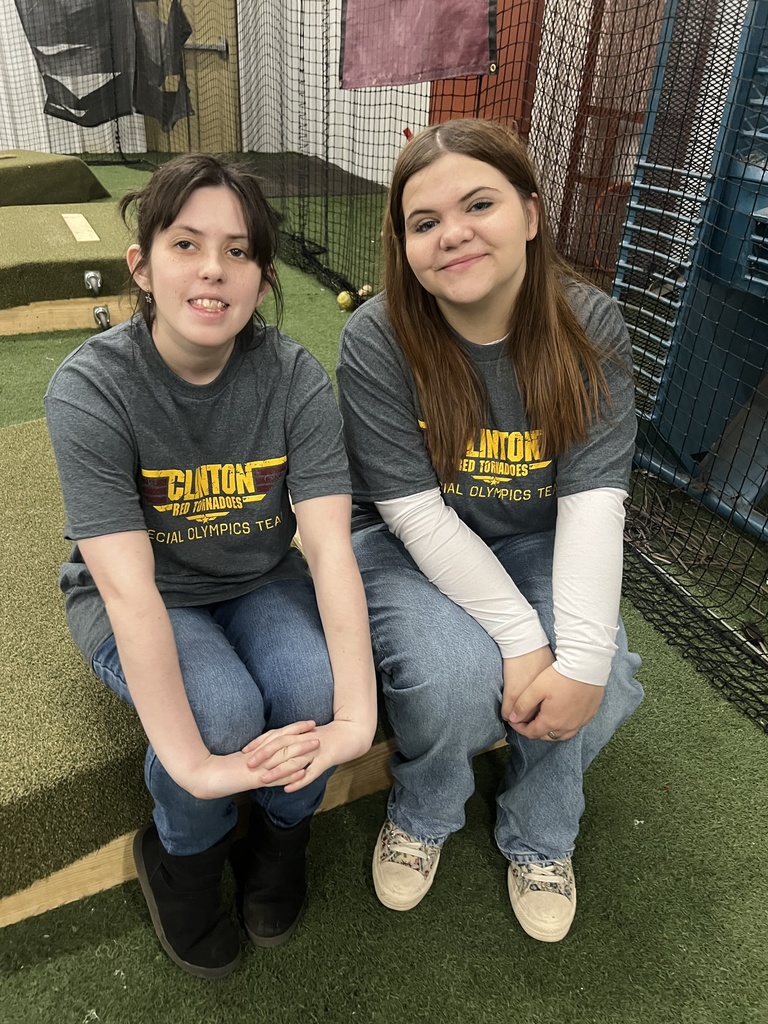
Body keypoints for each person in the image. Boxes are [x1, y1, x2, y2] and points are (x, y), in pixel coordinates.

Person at [44, 154, 376, 978]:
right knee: (222, 713)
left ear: (264, 279)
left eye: (237, 251)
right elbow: (126, 587)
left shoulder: (295, 375)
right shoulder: (91, 388)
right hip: (150, 594)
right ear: (142, 265)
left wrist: (358, 722)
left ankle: (278, 838)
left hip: (259, 578)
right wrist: (195, 766)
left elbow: (331, 547)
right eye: (186, 243)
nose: (211, 270)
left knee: (310, 691)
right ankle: (182, 856)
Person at [336, 118, 643, 943]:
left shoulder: (590, 325)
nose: (452, 235)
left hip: (537, 538)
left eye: (480, 204)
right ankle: (425, 808)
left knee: (601, 677)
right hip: (405, 545)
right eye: (424, 222)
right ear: (402, 245)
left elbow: (592, 504)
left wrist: (574, 659)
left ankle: (541, 835)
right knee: (448, 677)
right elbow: (410, 511)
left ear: (532, 214)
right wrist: (519, 636)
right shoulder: (377, 337)